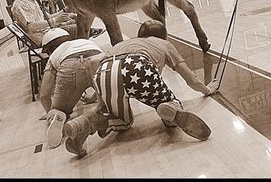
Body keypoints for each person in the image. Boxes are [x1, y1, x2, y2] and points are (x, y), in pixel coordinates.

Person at [61, 20, 219, 157]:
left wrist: (99, 98)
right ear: (163, 36)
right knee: (170, 101)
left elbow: (92, 63)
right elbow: (190, 78)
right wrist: (207, 89)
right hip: (138, 66)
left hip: (106, 69)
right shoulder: (164, 44)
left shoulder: (121, 44)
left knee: (120, 120)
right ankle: (169, 108)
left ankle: (82, 125)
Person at [37, 28, 106, 148]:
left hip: (69, 67)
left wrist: (50, 112)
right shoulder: (85, 42)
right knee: (106, 100)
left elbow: (44, 94)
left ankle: (56, 117)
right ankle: (103, 112)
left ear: (50, 49)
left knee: (60, 112)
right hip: (96, 58)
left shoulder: (54, 54)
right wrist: (94, 97)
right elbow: (100, 78)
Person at [11, 0, 75, 47]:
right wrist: (56, 20)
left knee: (80, 25)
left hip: (48, 31)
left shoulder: (32, 1)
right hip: (42, 38)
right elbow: (31, 26)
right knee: (79, 29)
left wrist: (65, 10)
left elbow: (48, 17)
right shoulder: (19, 5)